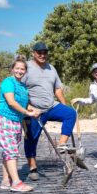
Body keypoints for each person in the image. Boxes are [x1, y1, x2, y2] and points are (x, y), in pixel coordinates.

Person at [22, 42, 77, 181]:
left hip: (51, 106)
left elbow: (57, 89)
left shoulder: (51, 68)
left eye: (45, 52)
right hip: (34, 110)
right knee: (31, 138)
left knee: (70, 113)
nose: (42, 55)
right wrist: (28, 107)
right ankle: (33, 167)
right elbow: (19, 89)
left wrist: (63, 105)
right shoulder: (26, 68)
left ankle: (61, 144)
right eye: (39, 52)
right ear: (33, 53)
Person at [0, 55, 38, 192]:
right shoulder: (8, 82)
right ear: (12, 69)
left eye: (22, 69)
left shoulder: (23, 87)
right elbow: (11, 102)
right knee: (11, 151)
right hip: (4, 119)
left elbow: (24, 102)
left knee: (8, 152)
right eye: (17, 68)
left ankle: (6, 180)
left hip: (16, 122)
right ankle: (17, 183)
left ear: (25, 71)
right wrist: (27, 112)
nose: (19, 71)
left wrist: (32, 108)